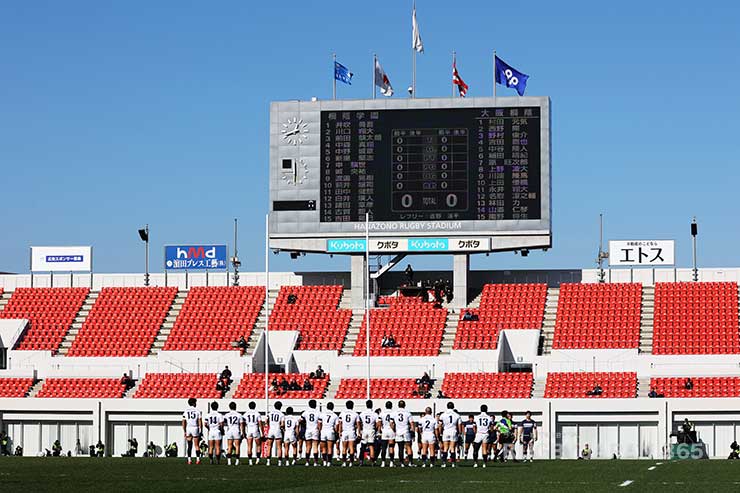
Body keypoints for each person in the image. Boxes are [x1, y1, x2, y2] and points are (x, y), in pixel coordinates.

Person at [438, 401, 462, 467]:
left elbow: (440, 425)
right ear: (453, 407)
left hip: (446, 431)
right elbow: (459, 425)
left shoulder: (443, 415)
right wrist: (460, 433)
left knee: (445, 448)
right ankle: (453, 463)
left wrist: (440, 433)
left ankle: (444, 463)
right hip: (453, 431)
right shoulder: (457, 415)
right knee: (452, 448)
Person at [338, 400, 360, 467]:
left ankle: (344, 462)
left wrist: (339, 432)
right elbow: (358, 424)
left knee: (344, 448)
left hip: (344, 432)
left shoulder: (342, 413)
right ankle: (351, 463)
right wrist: (359, 433)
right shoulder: (355, 414)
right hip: (351, 432)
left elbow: (340, 424)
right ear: (352, 406)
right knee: (351, 448)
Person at [301, 399, 323, 467]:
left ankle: (307, 462)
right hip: (315, 430)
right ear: (315, 405)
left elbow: (300, 420)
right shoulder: (318, 412)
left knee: (308, 446)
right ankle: (315, 462)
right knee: (315, 446)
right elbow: (320, 422)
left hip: (308, 430)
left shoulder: (305, 412)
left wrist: (305, 424)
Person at [358, 400, 380, 466]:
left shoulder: (362, 413)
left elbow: (359, 422)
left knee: (363, 446)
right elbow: (378, 423)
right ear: (372, 405)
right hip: (371, 430)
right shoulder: (375, 414)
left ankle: (361, 461)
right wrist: (375, 428)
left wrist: (361, 428)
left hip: (365, 430)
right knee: (371, 446)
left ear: (366, 405)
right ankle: (373, 462)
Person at [182, 397, 203, 464]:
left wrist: (184, 431)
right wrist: (201, 430)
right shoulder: (197, 411)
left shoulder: (186, 411)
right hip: (195, 427)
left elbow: (183, 422)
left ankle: (189, 460)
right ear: (194, 403)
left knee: (189, 445)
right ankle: (198, 459)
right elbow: (200, 421)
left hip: (188, 428)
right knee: (196, 445)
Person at [394, 400, 415, 466]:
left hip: (398, 431)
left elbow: (391, 423)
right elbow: (412, 423)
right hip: (406, 431)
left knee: (400, 447)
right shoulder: (408, 413)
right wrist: (413, 432)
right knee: (408, 446)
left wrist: (394, 430)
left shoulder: (395, 413)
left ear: (398, 405)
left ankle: (401, 463)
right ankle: (410, 462)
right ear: (404, 405)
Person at [243, 401, 263, 465]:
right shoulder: (257, 414)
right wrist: (262, 433)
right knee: (258, 445)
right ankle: (258, 459)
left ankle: (250, 461)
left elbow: (244, 423)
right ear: (255, 406)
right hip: (255, 429)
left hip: (249, 430)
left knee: (249, 446)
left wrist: (244, 432)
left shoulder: (245, 414)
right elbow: (260, 424)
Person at [224, 401, 244, 466]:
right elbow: (241, 424)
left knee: (229, 446)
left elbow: (225, 423)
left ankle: (229, 461)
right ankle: (237, 461)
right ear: (235, 407)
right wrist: (242, 432)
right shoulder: (239, 415)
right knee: (237, 446)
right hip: (236, 430)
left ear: (229, 407)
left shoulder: (227, 415)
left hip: (230, 430)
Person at [266, 401, 285, 466]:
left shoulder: (270, 413)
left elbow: (266, 421)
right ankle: (279, 462)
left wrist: (269, 425)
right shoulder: (281, 414)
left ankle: (268, 461)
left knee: (269, 446)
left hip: (271, 430)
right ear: (280, 407)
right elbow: (282, 424)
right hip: (277, 430)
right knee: (279, 447)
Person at [320, 402, 339, 466]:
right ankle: (329, 462)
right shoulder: (335, 415)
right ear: (333, 407)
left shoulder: (322, 414)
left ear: (327, 407)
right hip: (330, 431)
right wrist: (336, 432)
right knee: (330, 448)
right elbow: (337, 426)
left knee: (324, 448)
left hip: (323, 431)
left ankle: (324, 462)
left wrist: (320, 430)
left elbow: (319, 423)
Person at [378, 401, 396, 467]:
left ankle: (383, 462)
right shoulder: (394, 413)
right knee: (391, 447)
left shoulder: (382, 413)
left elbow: (379, 423)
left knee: (384, 447)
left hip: (384, 431)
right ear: (391, 406)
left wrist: (379, 431)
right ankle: (391, 462)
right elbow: (393, 423)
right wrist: (394, 430)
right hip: (391, 430)